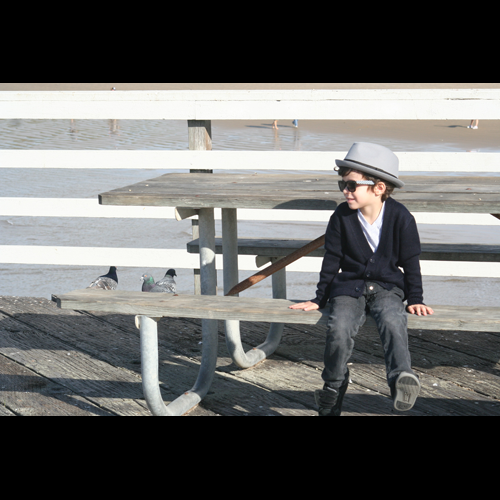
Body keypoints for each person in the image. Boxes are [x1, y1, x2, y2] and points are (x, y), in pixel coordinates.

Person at [289, 142, 434, 416]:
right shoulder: (341, 218)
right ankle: (332, 387)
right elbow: (331, 260)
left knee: (393, 321)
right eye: (342, 184)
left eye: (352, 185)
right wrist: (319, 298)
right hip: (348, 288)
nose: (345, 191)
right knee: (339, 328)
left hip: (388, 288)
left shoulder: (401, 218)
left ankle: (401, 379)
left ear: (379, 188)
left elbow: (411, 262)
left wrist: (415, 298)